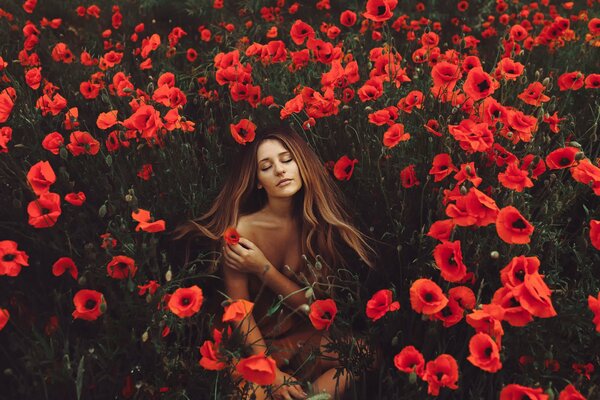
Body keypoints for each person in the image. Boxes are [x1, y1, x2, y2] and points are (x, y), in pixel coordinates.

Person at [175, 125, 375, 399]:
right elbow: (239, 311)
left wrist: (262, 268)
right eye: (266, 166)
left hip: (296, 338)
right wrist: (266, 366)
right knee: (252, 395)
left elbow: (313, 308)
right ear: (257, 180)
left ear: (301, 163)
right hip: (250, 346)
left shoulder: (315, 226)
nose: (280, 170)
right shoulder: (241, 231)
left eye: (287, 159)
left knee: (363, 355)